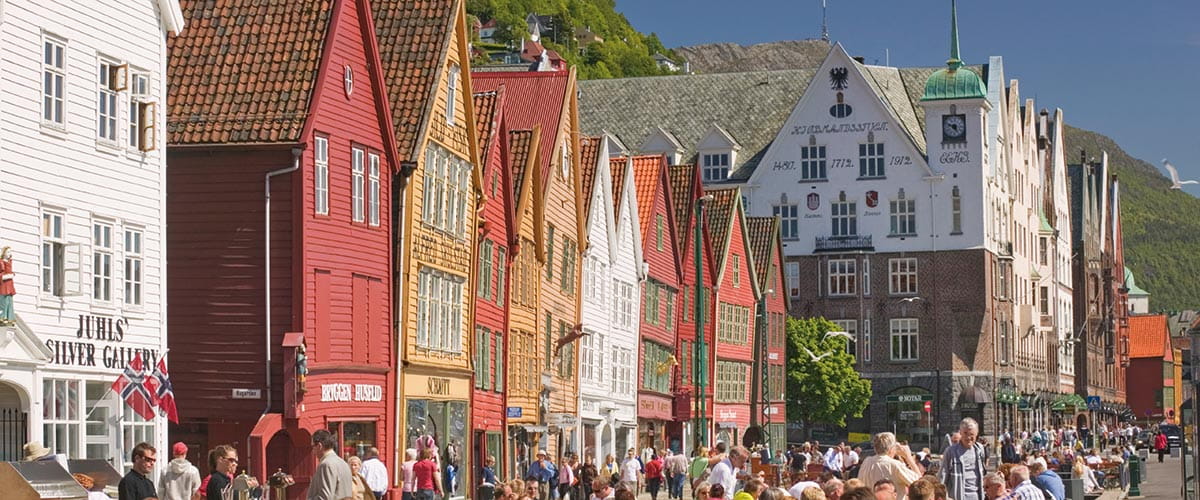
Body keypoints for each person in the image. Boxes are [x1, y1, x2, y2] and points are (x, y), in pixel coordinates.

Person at [856, 434, 922, 500]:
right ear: (891, 448)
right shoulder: (894, 465)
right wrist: (908, 457)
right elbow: (920, 485)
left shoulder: (867, 461)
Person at [939, 418, 987, 500]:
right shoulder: (951, 451)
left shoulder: (979, 449)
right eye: (965, 433)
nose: (968, 437)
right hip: (958, 496)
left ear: (976, 434)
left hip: (977, 496)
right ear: (960, 433)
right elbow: (942, 476)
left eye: (971, 434)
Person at [309, 430, 353, 500]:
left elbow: (325, 497)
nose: (313, 451)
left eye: (313, 446)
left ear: (320, 446)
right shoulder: (343, 463)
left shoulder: (326, 464)